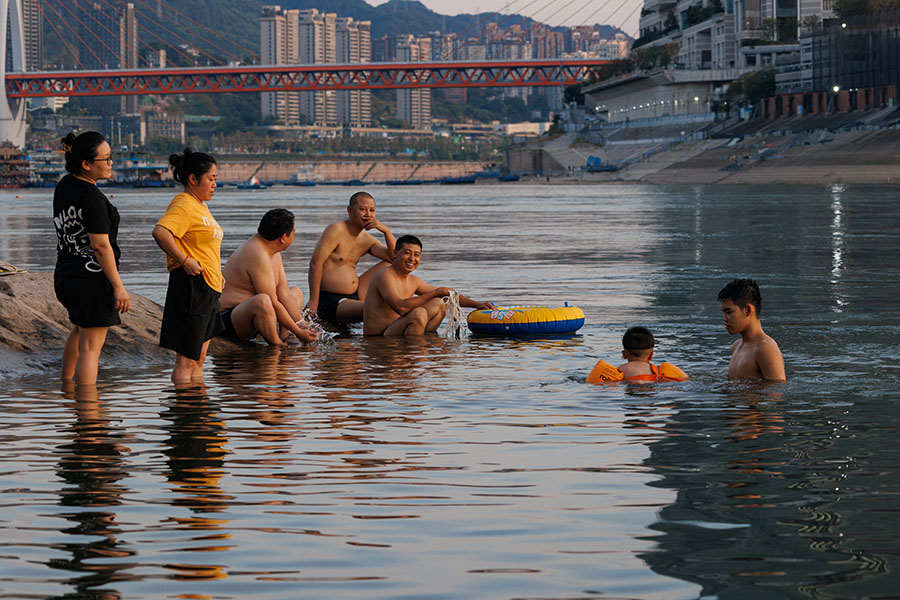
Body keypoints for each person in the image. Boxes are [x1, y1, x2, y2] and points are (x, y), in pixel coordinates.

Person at [53, 130, 130, 385]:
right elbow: (101, 247)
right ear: (87, 164)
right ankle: (89, 415)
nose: (111, 163)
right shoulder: (94, 199)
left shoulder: (64, 185)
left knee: (78, 331)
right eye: (106, 159)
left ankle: (67, 390)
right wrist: (118, 287)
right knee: (91, 348)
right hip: (91, 280)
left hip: (66, 275)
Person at [152, 148, 224, 383]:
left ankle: (197, 410)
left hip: (208, 288)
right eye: (211, 179)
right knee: (187, 360)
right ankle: (185, 413)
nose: (215, 185)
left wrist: (218, 273)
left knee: (200, 358)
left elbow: (202, 245)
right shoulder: (184, 203)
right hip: (191, 286)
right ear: (193, 179)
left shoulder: (201, 206)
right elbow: (161, 232)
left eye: (215, 179)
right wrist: (184, 261)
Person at [219, 208, 318, 345]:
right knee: (263, 300)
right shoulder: (257, 253)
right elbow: (271, 301)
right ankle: (277, 345)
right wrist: (299, 332)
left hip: (253, 315)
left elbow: (283, 293)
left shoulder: (273, 251)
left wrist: (302, 323)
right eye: (293, 234)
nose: (293, 238)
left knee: (295, 293)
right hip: (229, 319)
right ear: (283, 238)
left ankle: (285, 335)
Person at [363, 235, 494, 336]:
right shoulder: (385, 275)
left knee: (440, 303)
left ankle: (423, 344)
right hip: (380, 336)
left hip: (398, 330)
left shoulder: (413, 280)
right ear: (395, 253)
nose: (412, 259)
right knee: (418, 313)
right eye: (407, 253)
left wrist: (477, 304)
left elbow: (447, 294)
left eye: (416, 255)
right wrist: (434, 293)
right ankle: (417, 351)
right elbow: (401, 307)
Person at [306, 191, 396, 325]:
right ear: (350, 210)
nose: (368, 215)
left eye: (372, 210)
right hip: (331, 299)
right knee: (382, 309)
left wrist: (386, 231)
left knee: (389, 265)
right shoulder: (336, 230)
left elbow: (395, 258)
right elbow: (315, 263)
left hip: (357, 295)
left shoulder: (367, 240)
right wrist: (313, 301)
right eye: (362, 209)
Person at [718, 278, 786, 381]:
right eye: (724, 313)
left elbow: (776, 393)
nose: (725, 319)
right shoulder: (736, 347)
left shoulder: (766, 349)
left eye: (729, 312)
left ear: (748, 310)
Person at [585, 326, 688, 384]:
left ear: (624, 354)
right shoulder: (657, 371)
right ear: (651, 355)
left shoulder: (620, 370)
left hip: (629, 386)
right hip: (652, 386)